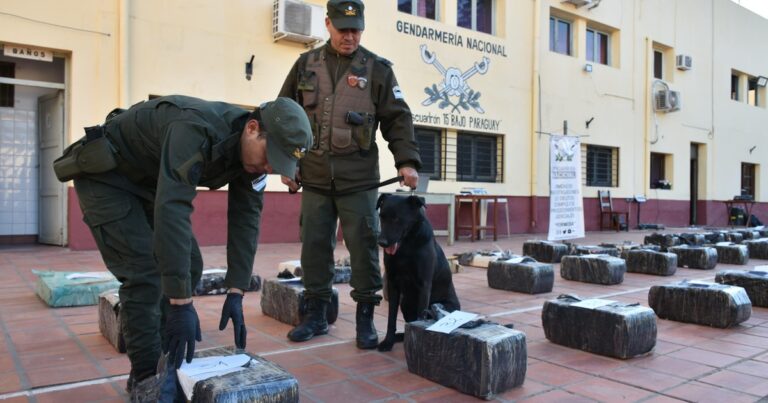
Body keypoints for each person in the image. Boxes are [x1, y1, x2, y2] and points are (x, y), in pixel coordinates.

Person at [54, 95, 312, 393]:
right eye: (270, 156)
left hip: (150, 181)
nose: (269, 167)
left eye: (278, 163)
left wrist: (237, 290)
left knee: (189, 265)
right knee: (144, 274)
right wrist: (180, 304)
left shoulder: (253, 159)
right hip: (106, 178)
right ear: (252, 129)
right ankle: (146, 379)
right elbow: (173, 208)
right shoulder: (194, 129)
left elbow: (247, 218)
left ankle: (166, 358)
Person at [278, 0, 421, 349]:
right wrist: (287, 163)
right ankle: (315, 314)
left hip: (359, 180)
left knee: (364, 247)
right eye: (343, 29)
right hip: (312, 176)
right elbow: (284, 115)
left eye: (356, 29)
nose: (350, 36)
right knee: (313, 246)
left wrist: (407, 160)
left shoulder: (378, 70)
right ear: (327, 24)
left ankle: (365, 319)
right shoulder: (304, 64)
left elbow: (398, 118)